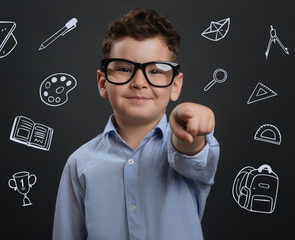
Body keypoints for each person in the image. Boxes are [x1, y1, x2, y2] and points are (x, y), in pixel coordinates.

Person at [52, 8, 220, 240]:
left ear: (175, 85)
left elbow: (190, 152)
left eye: (155, 70)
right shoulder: (79, 164)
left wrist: (189, 124)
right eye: (123, 69)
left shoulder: (181, 144)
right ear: (102, 82)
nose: (139, 82)